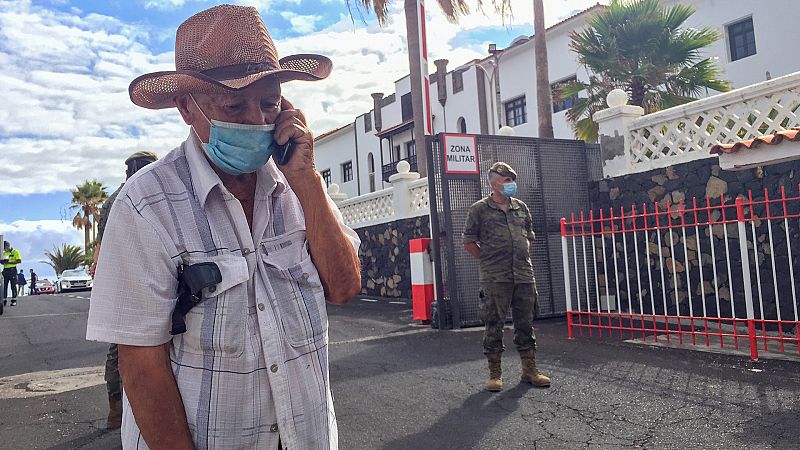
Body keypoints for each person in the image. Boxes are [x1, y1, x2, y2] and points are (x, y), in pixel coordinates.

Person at [86, 5, 361, 449]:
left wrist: (307, 183)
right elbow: (140, 365)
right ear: (186, 108)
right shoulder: (145, 206)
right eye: (234, 104)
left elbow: (345, 287)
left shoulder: (298, 182)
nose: (257, 120)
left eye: (269, 103)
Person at [463, 162, 551, 392]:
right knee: (494, 323)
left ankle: (530, 371)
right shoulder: (479, 209)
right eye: (506, 180)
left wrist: (521, 253)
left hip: (523, 274)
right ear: (493, 183)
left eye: (512, 179)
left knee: (526, 322)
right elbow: (469, 241)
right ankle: (495, 375)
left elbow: (528, 236)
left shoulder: (521, 207)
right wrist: (489, 260)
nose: (511, 184)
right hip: (495, 277)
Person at [89, 150, 158, 430]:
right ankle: (146, 409)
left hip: (119, 276)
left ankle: (116, 409)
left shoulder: (110, 200)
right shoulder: (153, 189)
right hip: (149, 274)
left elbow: (101, 242)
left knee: (120, 344)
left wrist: (98, 267)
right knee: (155, 340)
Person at [2, 241, 22, 306]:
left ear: (8, 246)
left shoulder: (15, 251)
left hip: (12, 270)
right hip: (5, 270)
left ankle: (14, 300)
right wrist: (3, 262)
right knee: (4, 285)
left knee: (13, 285)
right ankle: (4, 299)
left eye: (4, 248)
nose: (4, 249)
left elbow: (19, 260)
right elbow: (2, 262)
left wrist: (9, 262)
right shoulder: (4, 253)